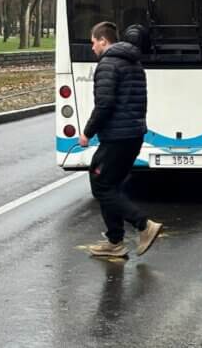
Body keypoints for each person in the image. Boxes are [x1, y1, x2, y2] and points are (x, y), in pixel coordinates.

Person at [80, 21, 162, 258]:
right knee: (111, 185)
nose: (92, 48)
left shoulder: (108, 64)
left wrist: (87, 131)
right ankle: (114, 241)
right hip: (133, 134)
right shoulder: (134, 63)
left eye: (93, 42)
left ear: (103, 41)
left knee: (101, 185)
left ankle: (144, 225)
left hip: (116, 137)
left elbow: (104, 104)